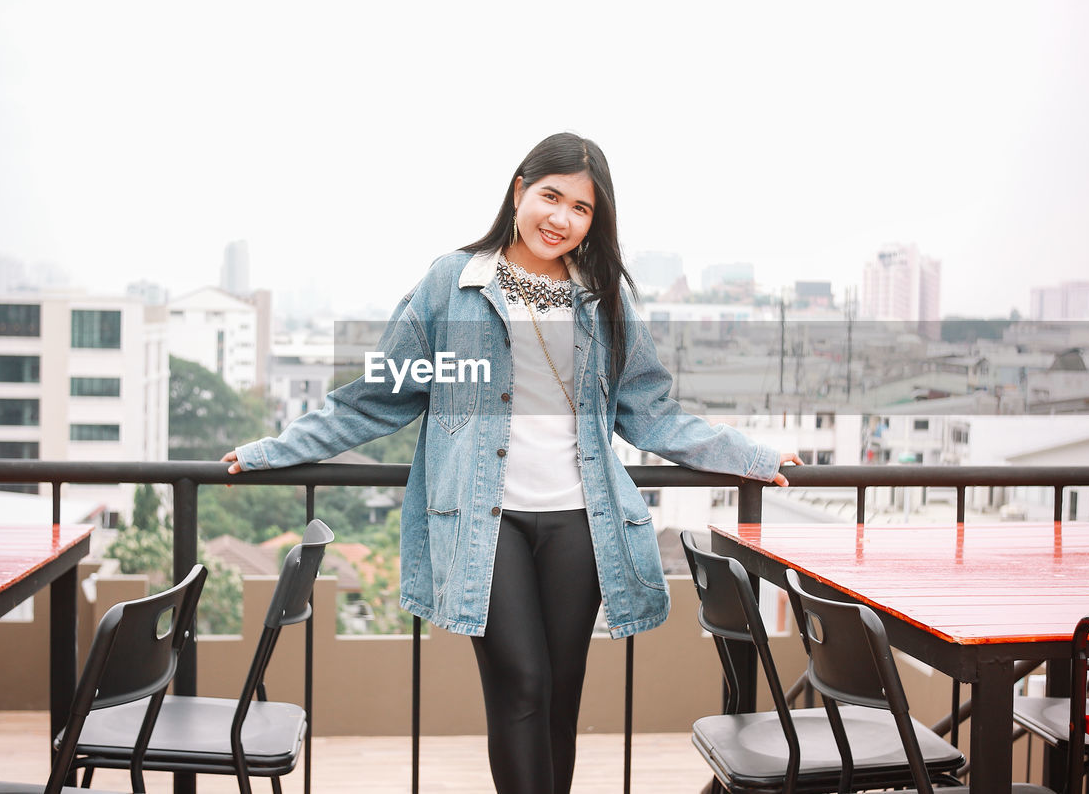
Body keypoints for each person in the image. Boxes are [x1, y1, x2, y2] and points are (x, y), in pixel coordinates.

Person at [223, 131, 800, 794]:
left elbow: (652, 411)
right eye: (551, 196)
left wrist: (749, 455)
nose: (561, 218)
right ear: (520, 189)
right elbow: (376, 397)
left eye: (581, 208)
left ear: (594, 221)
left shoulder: (602, 296)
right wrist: (272, 450)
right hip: (482, 522)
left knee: (559, 694)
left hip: (579, 523)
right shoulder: (455, 281)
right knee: (521, 682)